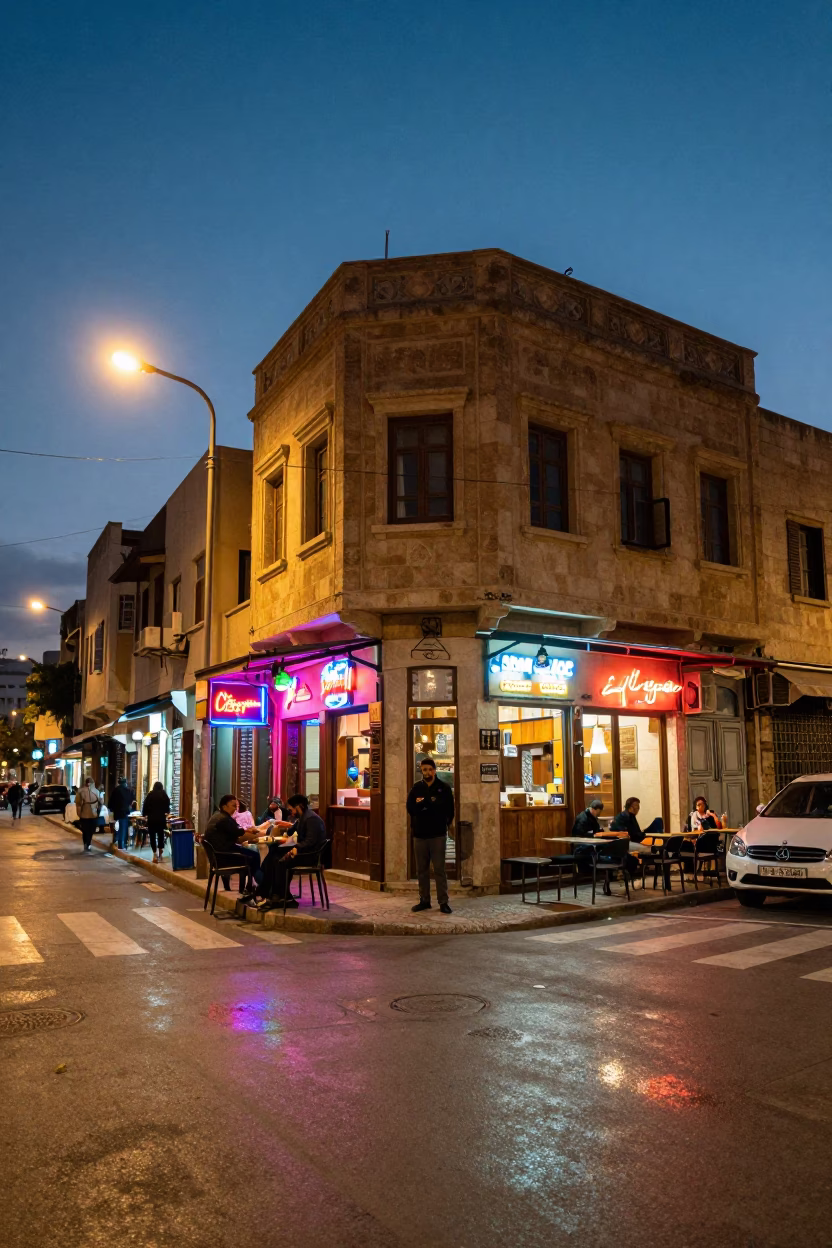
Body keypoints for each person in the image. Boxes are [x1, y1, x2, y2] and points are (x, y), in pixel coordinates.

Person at [258, 793, 327, 910]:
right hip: (302, 852)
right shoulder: (302, 817)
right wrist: (282, 826)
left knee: (279, 861)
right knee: (273, 853)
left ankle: (281, 897)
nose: (291, 812)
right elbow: (290, 831)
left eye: (292, 809)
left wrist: (296, 848)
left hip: (310, 856)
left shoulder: (312, 819)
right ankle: (268, 892)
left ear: (299, 806)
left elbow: (310, 842)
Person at [406, 758, 455, 914]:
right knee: (422, 870)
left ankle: (443, 902)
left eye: (429, 769)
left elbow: (449, 810)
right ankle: (424, 900)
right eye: (424, 769)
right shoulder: (416, 788)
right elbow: (411, 808)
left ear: (434, 770)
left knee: (439, 870)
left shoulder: (444, 788)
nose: (427, 772)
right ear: (422, 771)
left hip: (438, 835)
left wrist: (426, 806)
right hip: (420, 835)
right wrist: (427, 805)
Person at [202, 794, 261, 899]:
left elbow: (233, 832)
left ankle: (250, 887)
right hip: (224, 857)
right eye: (233, 806)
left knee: (251, 855)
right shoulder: (223, 819)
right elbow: (237, 831)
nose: (235, 809)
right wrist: (252, 834)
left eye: (236, 806)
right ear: (224, 806)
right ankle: (258, 887)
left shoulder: (218, 816)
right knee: (254, 857)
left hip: (220, 855)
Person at [142, 781, 171, 863]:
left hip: (152, 819)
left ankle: (154, 853)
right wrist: (166, 811)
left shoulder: (150, 795)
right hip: (161, 819)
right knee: (161, 834)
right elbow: (167, 805)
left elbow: (145, 805)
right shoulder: (164, 795)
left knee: (152, 836)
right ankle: (160, 851)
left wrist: (145, 815)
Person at [75, 776, 102, 852]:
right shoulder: (97, 791)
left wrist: (79, 814)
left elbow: (78, 804)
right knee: (91, 830)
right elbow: (101, 803)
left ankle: (86, 843)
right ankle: (89, 843)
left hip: (84, 814)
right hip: (94, 815)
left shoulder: (80, 791)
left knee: (85, 830)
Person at [108, 776, 135, 850]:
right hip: (125, 812)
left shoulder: (115, 790)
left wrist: (111, 809)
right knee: (123, 828)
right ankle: (122, 844)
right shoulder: (128, 791)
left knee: (117, 827)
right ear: (125, 783)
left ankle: (117, 841)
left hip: (117, 812)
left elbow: (111, 802)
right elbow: (132, 800)